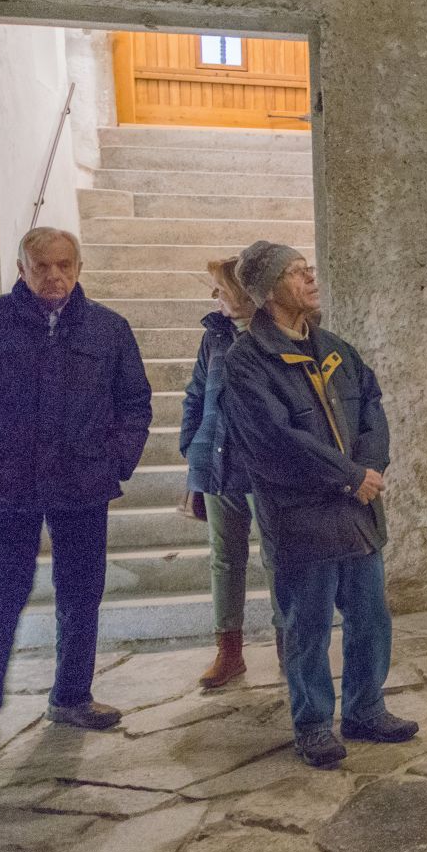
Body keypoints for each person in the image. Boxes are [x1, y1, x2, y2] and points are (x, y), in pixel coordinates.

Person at [0, 227, 151, 744]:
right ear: (22, 269)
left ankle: (71, 697)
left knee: (81, 593)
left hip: (83, 482)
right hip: (6, 484)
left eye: (64, 265)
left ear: (79, 268)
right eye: (41, 266)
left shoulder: (108, 329)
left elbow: (133, 403)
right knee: (0, 593)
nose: (53, 275)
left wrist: (116, 463)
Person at [222, 241, 416, 768]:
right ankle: (312, 725)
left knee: (370, 618)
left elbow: (372, 408)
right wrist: (350, 477)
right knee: (306, 627)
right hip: (301, 516)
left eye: (307, 269)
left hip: (356, 512)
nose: (310, 279)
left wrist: (369, 468)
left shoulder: (335, 349)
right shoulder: (247, 363)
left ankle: (365, 709)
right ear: (267, 292)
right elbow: (275, 441)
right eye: (295, 272)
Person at [179, 256, 263, 688]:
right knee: (225, 559)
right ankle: (229, 652)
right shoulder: (214, 335)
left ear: (245, 290)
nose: (215, 295)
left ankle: (291, 646)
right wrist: (192, 449)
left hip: (266, 468)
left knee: (279, 557)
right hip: (218, 462)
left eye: (220, 287)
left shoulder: (277, 332)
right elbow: (196, 395)